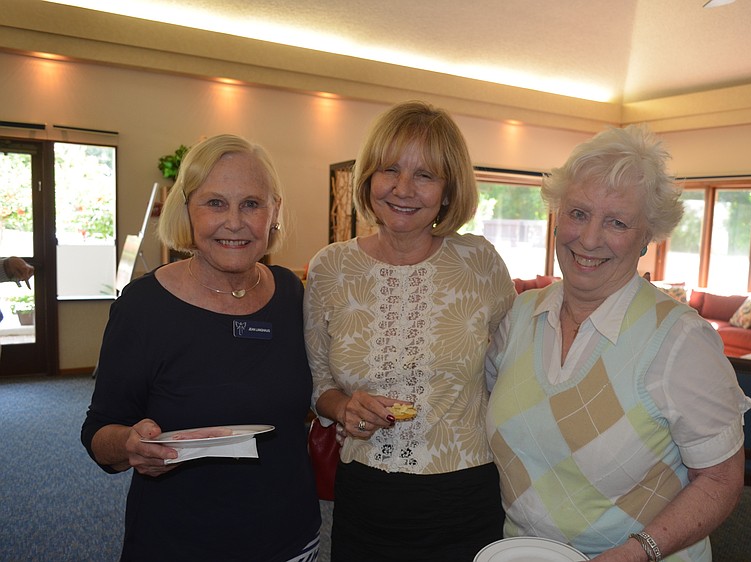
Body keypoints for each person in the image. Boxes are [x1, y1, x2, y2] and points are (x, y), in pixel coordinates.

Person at [486, 125, 751, 561]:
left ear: (647, 236)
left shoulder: (681, 341)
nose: (590, 239)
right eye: (578, 213)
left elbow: (721, 481)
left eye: (617, 222)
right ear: (557, 216)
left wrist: (639, 551)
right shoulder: (519, 316)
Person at [81, 134, 321, 561]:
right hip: (179, 542)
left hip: (290, 537)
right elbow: (99, 434)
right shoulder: (144, 307)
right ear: (187, 209)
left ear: (274, 212)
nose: (235, 222)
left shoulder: (292, 293)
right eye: (215, 203)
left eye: (251, 204)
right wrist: (131, 444)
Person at [304, 100, 516, 561]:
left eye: (425, 175)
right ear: (368, 178)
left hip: (466, 494)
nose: (403, 189)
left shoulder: (479, 263)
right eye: (389, 169)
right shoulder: (330, 268)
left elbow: (512, 373)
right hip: (365, 495)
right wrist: (344, 407)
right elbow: (319, 386)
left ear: (448, 190)